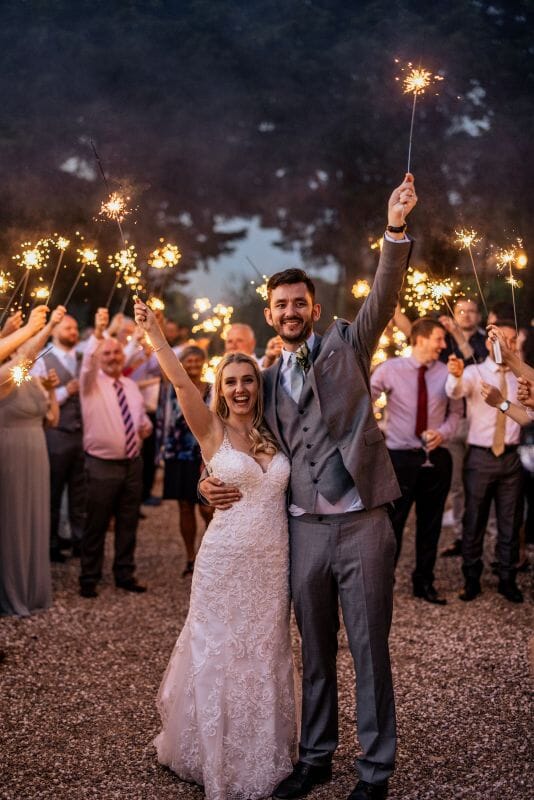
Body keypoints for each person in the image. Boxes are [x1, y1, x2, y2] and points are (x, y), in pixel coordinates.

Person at [201, 174, 418, 800]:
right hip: (300, 529)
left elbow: (385, 289)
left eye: (300, 303)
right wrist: (206, 481)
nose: (291, 312)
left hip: (361, 521)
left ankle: (374, 771)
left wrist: (394, 228)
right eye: (281, 306)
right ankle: (316, 757)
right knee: (315, 650)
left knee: (370, 651)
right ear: (267, 314)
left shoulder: (350, 344)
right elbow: (233, 441)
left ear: (313, 309)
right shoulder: (262, 380)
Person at [134, 299, 296, 800]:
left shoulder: (276, 431)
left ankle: (263, 749)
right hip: (224, 560)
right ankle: (210, 753)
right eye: (231, 382)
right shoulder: (211, 430)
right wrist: (156, 334)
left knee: (267, 650)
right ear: (221, 389)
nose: (241, 388)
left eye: (248, 380)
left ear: (259, 386)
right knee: (220, 650)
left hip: (273, 562)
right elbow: (180, 383)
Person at [371, 318, 462, 604]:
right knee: (393, 524)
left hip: (436, 459)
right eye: (438, 339)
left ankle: (424, 582)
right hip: (399, 459)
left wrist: (443, 433)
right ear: (420, 339)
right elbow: (364, 401)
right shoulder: (389, 369)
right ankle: (383, 584)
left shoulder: (448, 372)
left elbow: (456, 412)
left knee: (430, 524)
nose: (443, 345)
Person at [446, 320, 524, 603]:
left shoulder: (523, 377)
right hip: (479, 458)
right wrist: (454, 376)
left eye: (512, 339)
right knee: (474, 520)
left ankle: (507, 579)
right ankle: (471, 579)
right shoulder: (474, 372)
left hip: (511, 459)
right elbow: (453, 392)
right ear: (490, 342)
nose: (507, 344)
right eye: (501, 338)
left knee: (510, 523)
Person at [78, 308, 152, 599]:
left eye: (116, 354)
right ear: (98, 357)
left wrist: (144, 427)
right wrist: (99, 334)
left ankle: (124, 573)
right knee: (96, 523)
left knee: (128, 521)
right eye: (106, 354)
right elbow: (87, 362)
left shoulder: (131, 386)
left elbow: (139, 419)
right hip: (101, 465)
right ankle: (89, 577)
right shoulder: (90, 384)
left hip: (132, 464)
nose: (112, 357)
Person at [0, 305, 65, 616]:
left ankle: (30, 584)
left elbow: (23, 358)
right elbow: (23, 358)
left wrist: (45, 326)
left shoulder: (21, 372)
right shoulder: (7, 377)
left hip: (35, 449)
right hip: (10, 451)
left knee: (32, 514)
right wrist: (42, 327)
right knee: (11, 517)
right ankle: (12, 587)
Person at [32, 313, 86, 561]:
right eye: (68, 327)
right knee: (52, 492)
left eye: (75, 328)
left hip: (80, 434)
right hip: (56, 433)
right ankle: (51, 544)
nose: (73, 331)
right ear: (55, 330)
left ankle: (78, 541)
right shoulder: (43, 358)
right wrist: (65, 390)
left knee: (79, 493)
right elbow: (38, 397)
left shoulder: (81, 356)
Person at [156, 344, 213, 575]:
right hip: (178, 453)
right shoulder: (172, 387)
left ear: (203, 363)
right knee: (185, 506)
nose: (193, 364)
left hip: (204, 455)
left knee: (207, 508)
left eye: (197, 360)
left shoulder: (212, 389)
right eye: (188, 360)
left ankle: (208, 554)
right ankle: (190, 557)